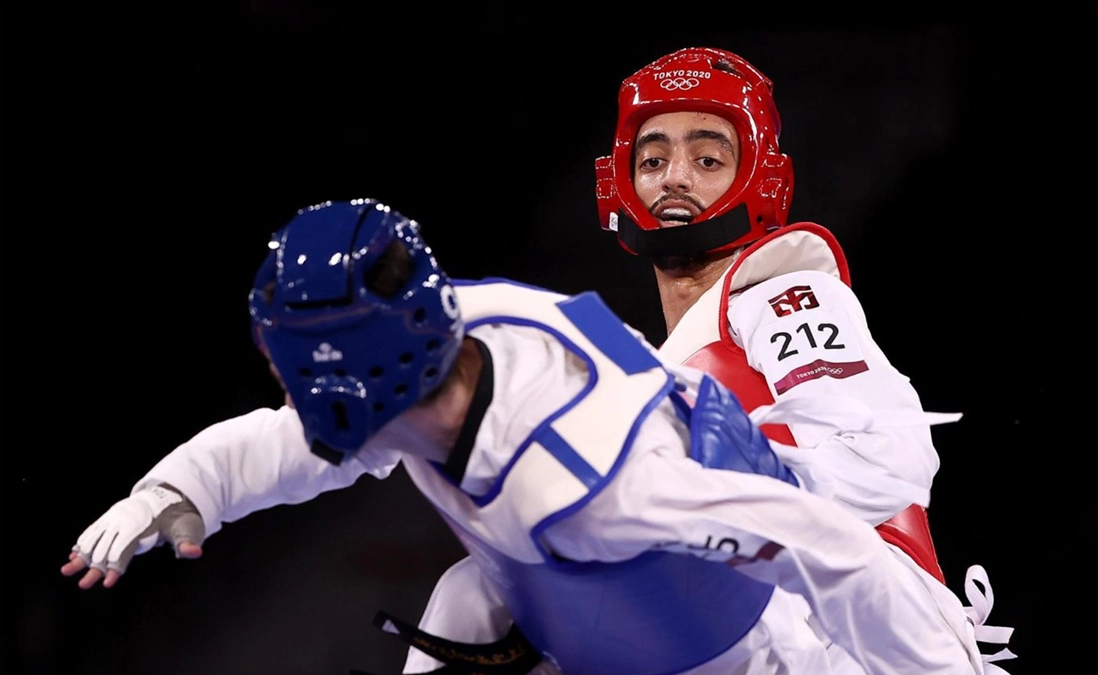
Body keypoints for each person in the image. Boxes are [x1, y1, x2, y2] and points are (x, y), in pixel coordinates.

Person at [63, 199, 1001, 675]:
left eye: (292, 365)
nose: (282, 383)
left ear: (360, 378)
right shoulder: (459, 322)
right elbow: (288, 441)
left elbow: (822, 542)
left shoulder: (595, 483)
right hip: (573, 599)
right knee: (463, 599)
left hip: (747, 652)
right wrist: (182, 488)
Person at [402, 47, 1017, 674]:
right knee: (479, 593)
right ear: (619, 182)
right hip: (748, 622)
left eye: (707, 159)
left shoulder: (783, 294)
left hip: (868, 637)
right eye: (652, 159)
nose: (674, 177)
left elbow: (886, 460)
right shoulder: (646, 367)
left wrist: (716, 491)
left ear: (759, 179)